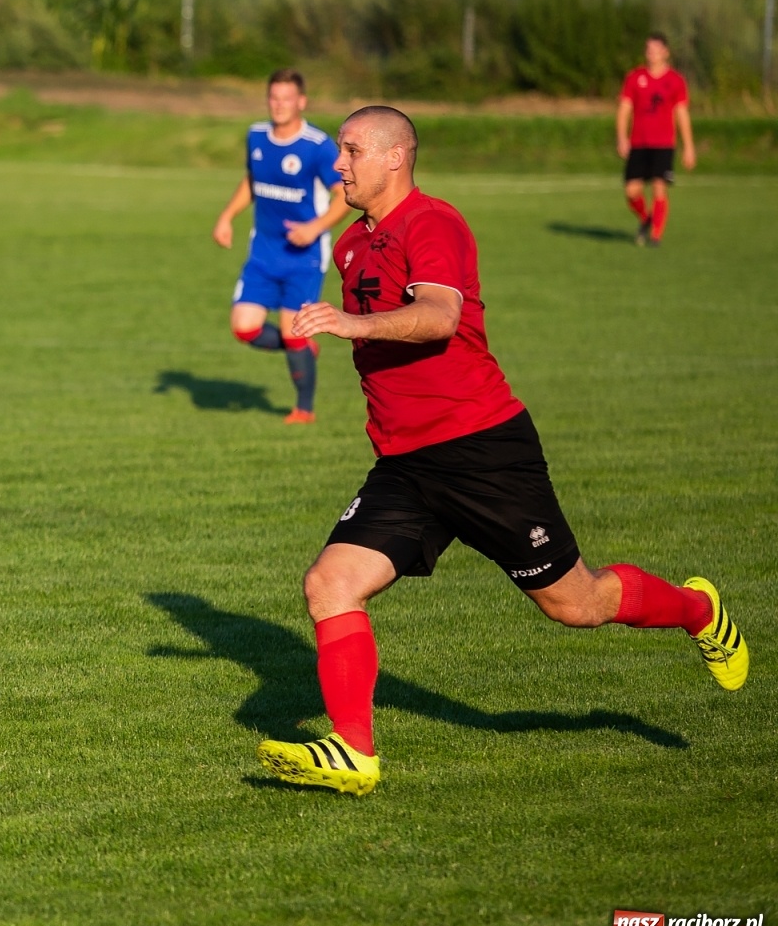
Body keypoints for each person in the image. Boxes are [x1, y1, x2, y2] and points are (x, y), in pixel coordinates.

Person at [253, 106, 747, 796]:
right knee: (329, 584)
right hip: (407, 463)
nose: (339, 164)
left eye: (352, 150)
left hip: (483, 449)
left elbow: (440, 316)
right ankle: (354, 754)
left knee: (577, 604)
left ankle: (698, 611)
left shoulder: (434, 223)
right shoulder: (350, 247)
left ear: (396, 157)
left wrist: (350, 322)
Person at [213, 69, 351, 424]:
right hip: (263, 252)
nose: (279, 105)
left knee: (294, 332)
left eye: (287, 99)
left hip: (304, 258)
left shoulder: (317, 146)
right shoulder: (256, 136)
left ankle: (303, 409)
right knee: (244, 327)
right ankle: (302, 349)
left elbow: (343, 197)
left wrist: (315, 228)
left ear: (301, 102)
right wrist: (227, 216)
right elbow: (252, 181)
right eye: (274, 98)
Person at [616, 33, 695, 248]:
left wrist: (689, 147)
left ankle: (656, 236)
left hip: (663, 144)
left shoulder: (676, 81)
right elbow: (624, 109)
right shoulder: (634, 78)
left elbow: (681, 114)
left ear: (665, 53)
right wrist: (622, 137)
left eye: (655, 50)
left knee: (659, 187)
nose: (651, 53)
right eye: (648, 49)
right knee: (631, 191)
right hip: (639, 143)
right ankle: (645, 218)